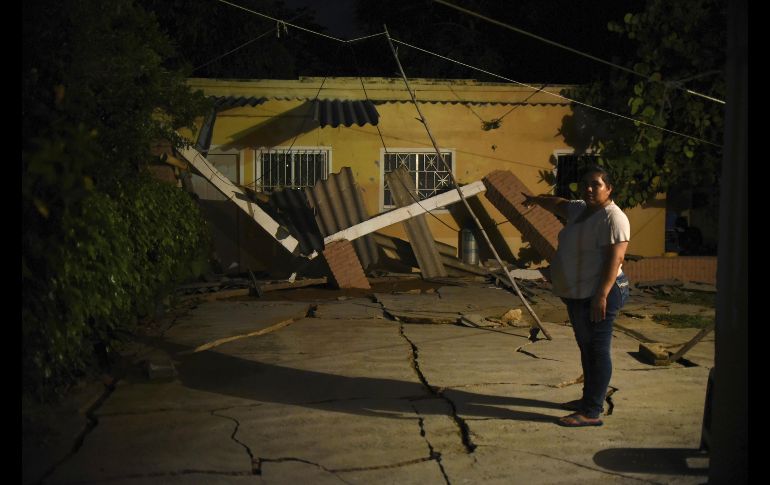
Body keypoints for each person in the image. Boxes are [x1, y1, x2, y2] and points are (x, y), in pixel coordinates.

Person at [522, 166, 630, 427]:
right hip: (578, 292)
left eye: (596, 184)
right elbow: (559, 204)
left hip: (602, 292)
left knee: (597, 350)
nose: (589, 189)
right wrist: (536, 200)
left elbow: (615, 260)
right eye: (585, 184)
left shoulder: (613, 218)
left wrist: (601, 296)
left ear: (609, 189)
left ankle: (591, 412)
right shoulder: (580, 209)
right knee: (586, 348)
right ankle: (588, 399)